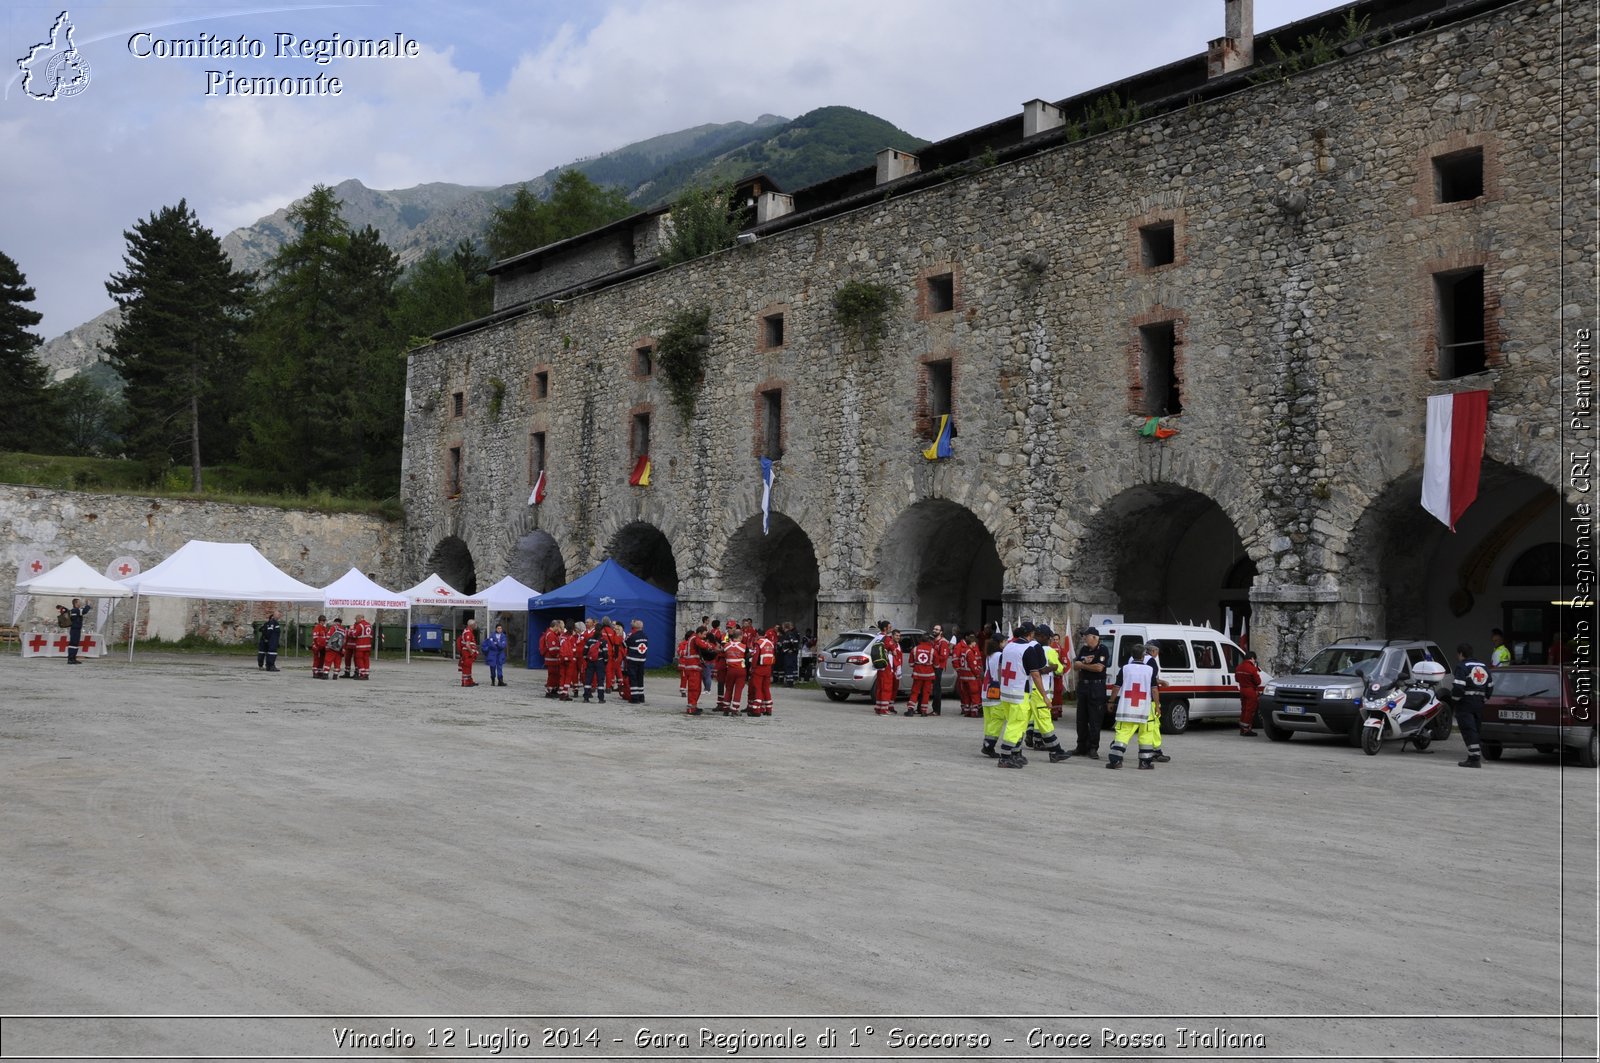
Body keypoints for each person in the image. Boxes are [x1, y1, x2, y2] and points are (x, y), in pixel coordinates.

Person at [1021, 623, 1074, 762]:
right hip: (1039, 690)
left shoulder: (1026, 647)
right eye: (1049, 637)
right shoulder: (1044, 650)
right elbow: (1048, 670)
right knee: (1045, 721)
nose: (1051, 640)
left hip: (1026, 689)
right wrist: (1053, 667)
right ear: (1042, 636)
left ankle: (1014, 750)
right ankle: (1056, 751)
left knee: (1023, 721)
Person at [1108, 642, 1161, 770]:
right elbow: (1154, 690)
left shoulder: (1125, 668)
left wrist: (1111, 701)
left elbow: (1116, 687)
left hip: (1127, 708)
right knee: (1146, 734)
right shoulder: (1150, 670)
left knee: (1123, 734)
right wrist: (1157, 706)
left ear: (1132, 655)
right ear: (1144, 656)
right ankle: (1144, 762)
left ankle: (1116, 761)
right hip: (1145, 708)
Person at [1452, 643, 1494, 768]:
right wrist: (1484, 699)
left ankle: (1474, 758)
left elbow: (1458, 688)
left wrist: (1455, 701)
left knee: (1468, 730)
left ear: (1460, 654)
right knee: (1475, 729)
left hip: (1465, 703)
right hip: (1479, 703)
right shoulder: (1483, 667)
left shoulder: (1462, 667)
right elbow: (1490, 687)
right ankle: (1474, 756)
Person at [1070, 626, 1110, 758]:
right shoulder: (1084, 649)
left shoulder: (1102, 649)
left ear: (1094, 637)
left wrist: (1083, 665)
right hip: (1084, 687)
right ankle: (1081, 746)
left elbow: (1099, 668)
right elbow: (1075, 666)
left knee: (1094, 719)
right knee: (1081, 719)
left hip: (1096, 688)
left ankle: (1093, 748)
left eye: (1086, 636)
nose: (1084, 638)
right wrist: (1083, 664)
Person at [1145, 641, 1171, 763]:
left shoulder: (1133, 659)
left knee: (1131, 725)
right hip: (1148, 699)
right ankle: (1156, 751)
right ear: (1154, 651)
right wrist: (1157, 704)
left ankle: (1117, 747)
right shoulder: (1151, 661)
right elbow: (1153, 686)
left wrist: (1161, 681)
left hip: (1134, 699)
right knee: (1154, 725)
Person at [747, 627, 775, 716]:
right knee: (766, 688)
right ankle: (769, 709)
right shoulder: (770, 643)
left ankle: (756, 710)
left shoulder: (758, 643)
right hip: (768, 668)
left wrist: (752, 667)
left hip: (759, 668)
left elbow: (755, 657)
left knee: (757, 688)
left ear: (758, 634)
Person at [954, 630, 983, 717]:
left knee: (966, 695)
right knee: (974, 694)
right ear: (972, 642)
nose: (975, 645)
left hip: (963, 677)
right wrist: (978, 674)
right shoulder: (970, 652)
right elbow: (973, 665)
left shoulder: (963, 651)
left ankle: (967, 711)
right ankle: (974, 712)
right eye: (974, 643)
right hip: (971, 677)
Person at [907, 631, 936, 716]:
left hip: (917, 675)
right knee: (926, 693)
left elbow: (911, 664)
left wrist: (918, 666)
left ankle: (910, 709)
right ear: (929, 640)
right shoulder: (932, 650)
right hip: (929, 675)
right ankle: (923, 711)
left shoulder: (915, 649)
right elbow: (936, 665)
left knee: (915, 692)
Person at [870, 620, 896, 716]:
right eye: (890, 627)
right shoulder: (887, 638)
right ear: (885, 628)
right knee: (887, 687)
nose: (891, 629)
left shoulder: (877, 637)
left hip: (878, 665)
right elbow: (894, 652)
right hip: (886, 665)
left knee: (880, 687)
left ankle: (878, 707)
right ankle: (884, 710)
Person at [720, 627, 748, 715]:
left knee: (728, 689)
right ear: (740, 637)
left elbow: (723, 653)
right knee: (738, 690)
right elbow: (748, 656)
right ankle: (734, 709)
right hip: (740, 670)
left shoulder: (726, 645)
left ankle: (725, 708)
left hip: (730, 670)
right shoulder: (743, 647)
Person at [1236, 649, 1263, 736]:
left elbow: (1237, 679)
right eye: (1254, 659)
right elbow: (1258, 682)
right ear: (1252, 658)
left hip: (1242, 690)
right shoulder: (1252, 668)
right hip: (1251, 691)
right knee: (1250, 711)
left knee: (1243, 709)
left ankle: (1242, 728)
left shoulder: (1239, 667)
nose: (1254, 661)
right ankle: (1247, 729)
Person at [583, 620, 610, 702]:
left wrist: (587, 659)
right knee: (600, 681)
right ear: (601, 630)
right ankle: (601, 699)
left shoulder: (590, 640)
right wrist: (605, 661)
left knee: (588, 680)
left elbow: (585, 652)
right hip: (600, 662)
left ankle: (586, 698)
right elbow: (605, 653)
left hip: (590, 662)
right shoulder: (603, 641)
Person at [623, 619, 648, 703]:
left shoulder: (632, 636)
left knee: (633, 678)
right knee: (640, 678)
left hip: (633, 660)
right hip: (642, 660)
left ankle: (635, 698)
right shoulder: (645, 636)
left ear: (634, 627)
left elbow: (625, 644)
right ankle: (641, 697)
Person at [929, 624, 950, 715]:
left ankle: (936, 710)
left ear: (941, 632)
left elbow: (943, 657)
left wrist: (933, 656)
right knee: (933, 688)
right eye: (934, 629)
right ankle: (934, 709)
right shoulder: (934, 641)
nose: (934, 630)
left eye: (937, 629)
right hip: (933, 666)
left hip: (938, 668)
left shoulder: (943, 642)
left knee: (937, 689)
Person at [541, 621, 564, 698]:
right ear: (555, 626)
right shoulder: (551, 635)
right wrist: (558, 654)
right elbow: (553, 649)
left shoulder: (552, 634)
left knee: (555, 676)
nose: (558, 628)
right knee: (552, 676)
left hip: (553, 659)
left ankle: (553, 690)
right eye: (558, 627)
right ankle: (549, 691)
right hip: (552, 659)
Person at [483, 622, 509, 687]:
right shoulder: (491, 635)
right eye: (498, 628)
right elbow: (490, 644)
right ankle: (493, 680)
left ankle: (500, 681)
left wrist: (496, 643)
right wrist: (497, 644)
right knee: (492, 667)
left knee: (500, 667)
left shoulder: (503, 636)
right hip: (493, 654)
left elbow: (502, 646)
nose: (499, 630)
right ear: (496, 629)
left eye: (500, 628)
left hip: (500, 654)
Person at [349, 613, 373, 680]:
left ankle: (362, 674)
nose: (355, 620)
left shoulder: (360, 625)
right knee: (366, 660)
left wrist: (350, 630)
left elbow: (354, 635)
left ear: (359, 618)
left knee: (359, 660)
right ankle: (366, 674)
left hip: (360, 646)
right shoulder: (369, 625)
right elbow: (371, 636)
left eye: (356, 619)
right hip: (368, 646)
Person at [457, 618, 479, 687]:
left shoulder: (467, 631)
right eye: (475, 624)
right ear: (471, 625)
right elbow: (467, 644)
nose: (476, 625)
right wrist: (471, 652)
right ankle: (466, 682)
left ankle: (469, 681)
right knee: (467, 668)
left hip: (467, 653)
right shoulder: (468, 633)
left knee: (468, 667)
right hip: (467, 653)